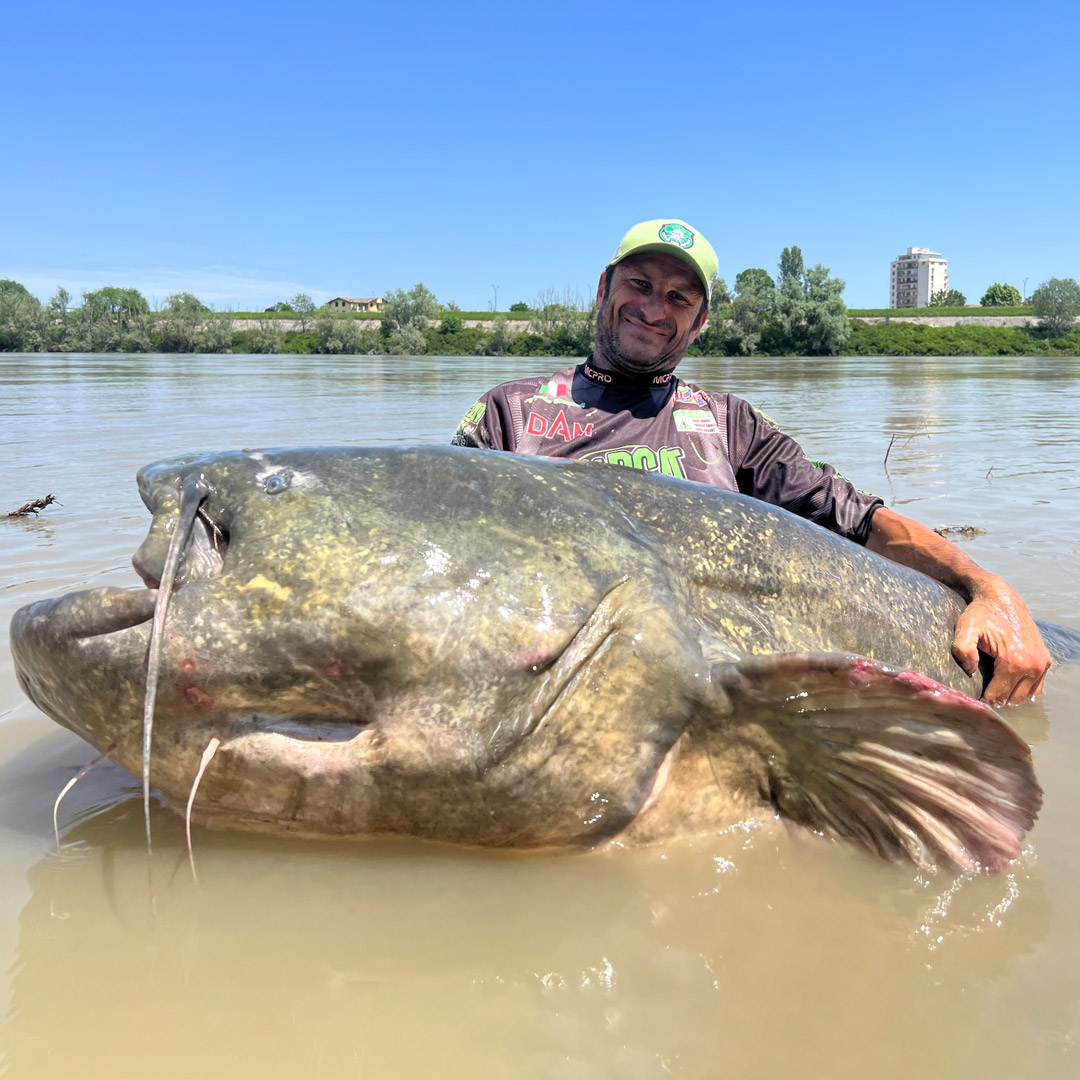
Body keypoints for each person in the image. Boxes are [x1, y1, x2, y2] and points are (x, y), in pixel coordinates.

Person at [451, 218, 1051, 706]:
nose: (655, 308)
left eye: (679, 297)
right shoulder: (509, 413)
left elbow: (862, 521)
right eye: (639, 284)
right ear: (605, 286)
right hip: (558, 687)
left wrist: (989, 587)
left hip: (711, 694)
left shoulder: (731, 424)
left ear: (700, 321)